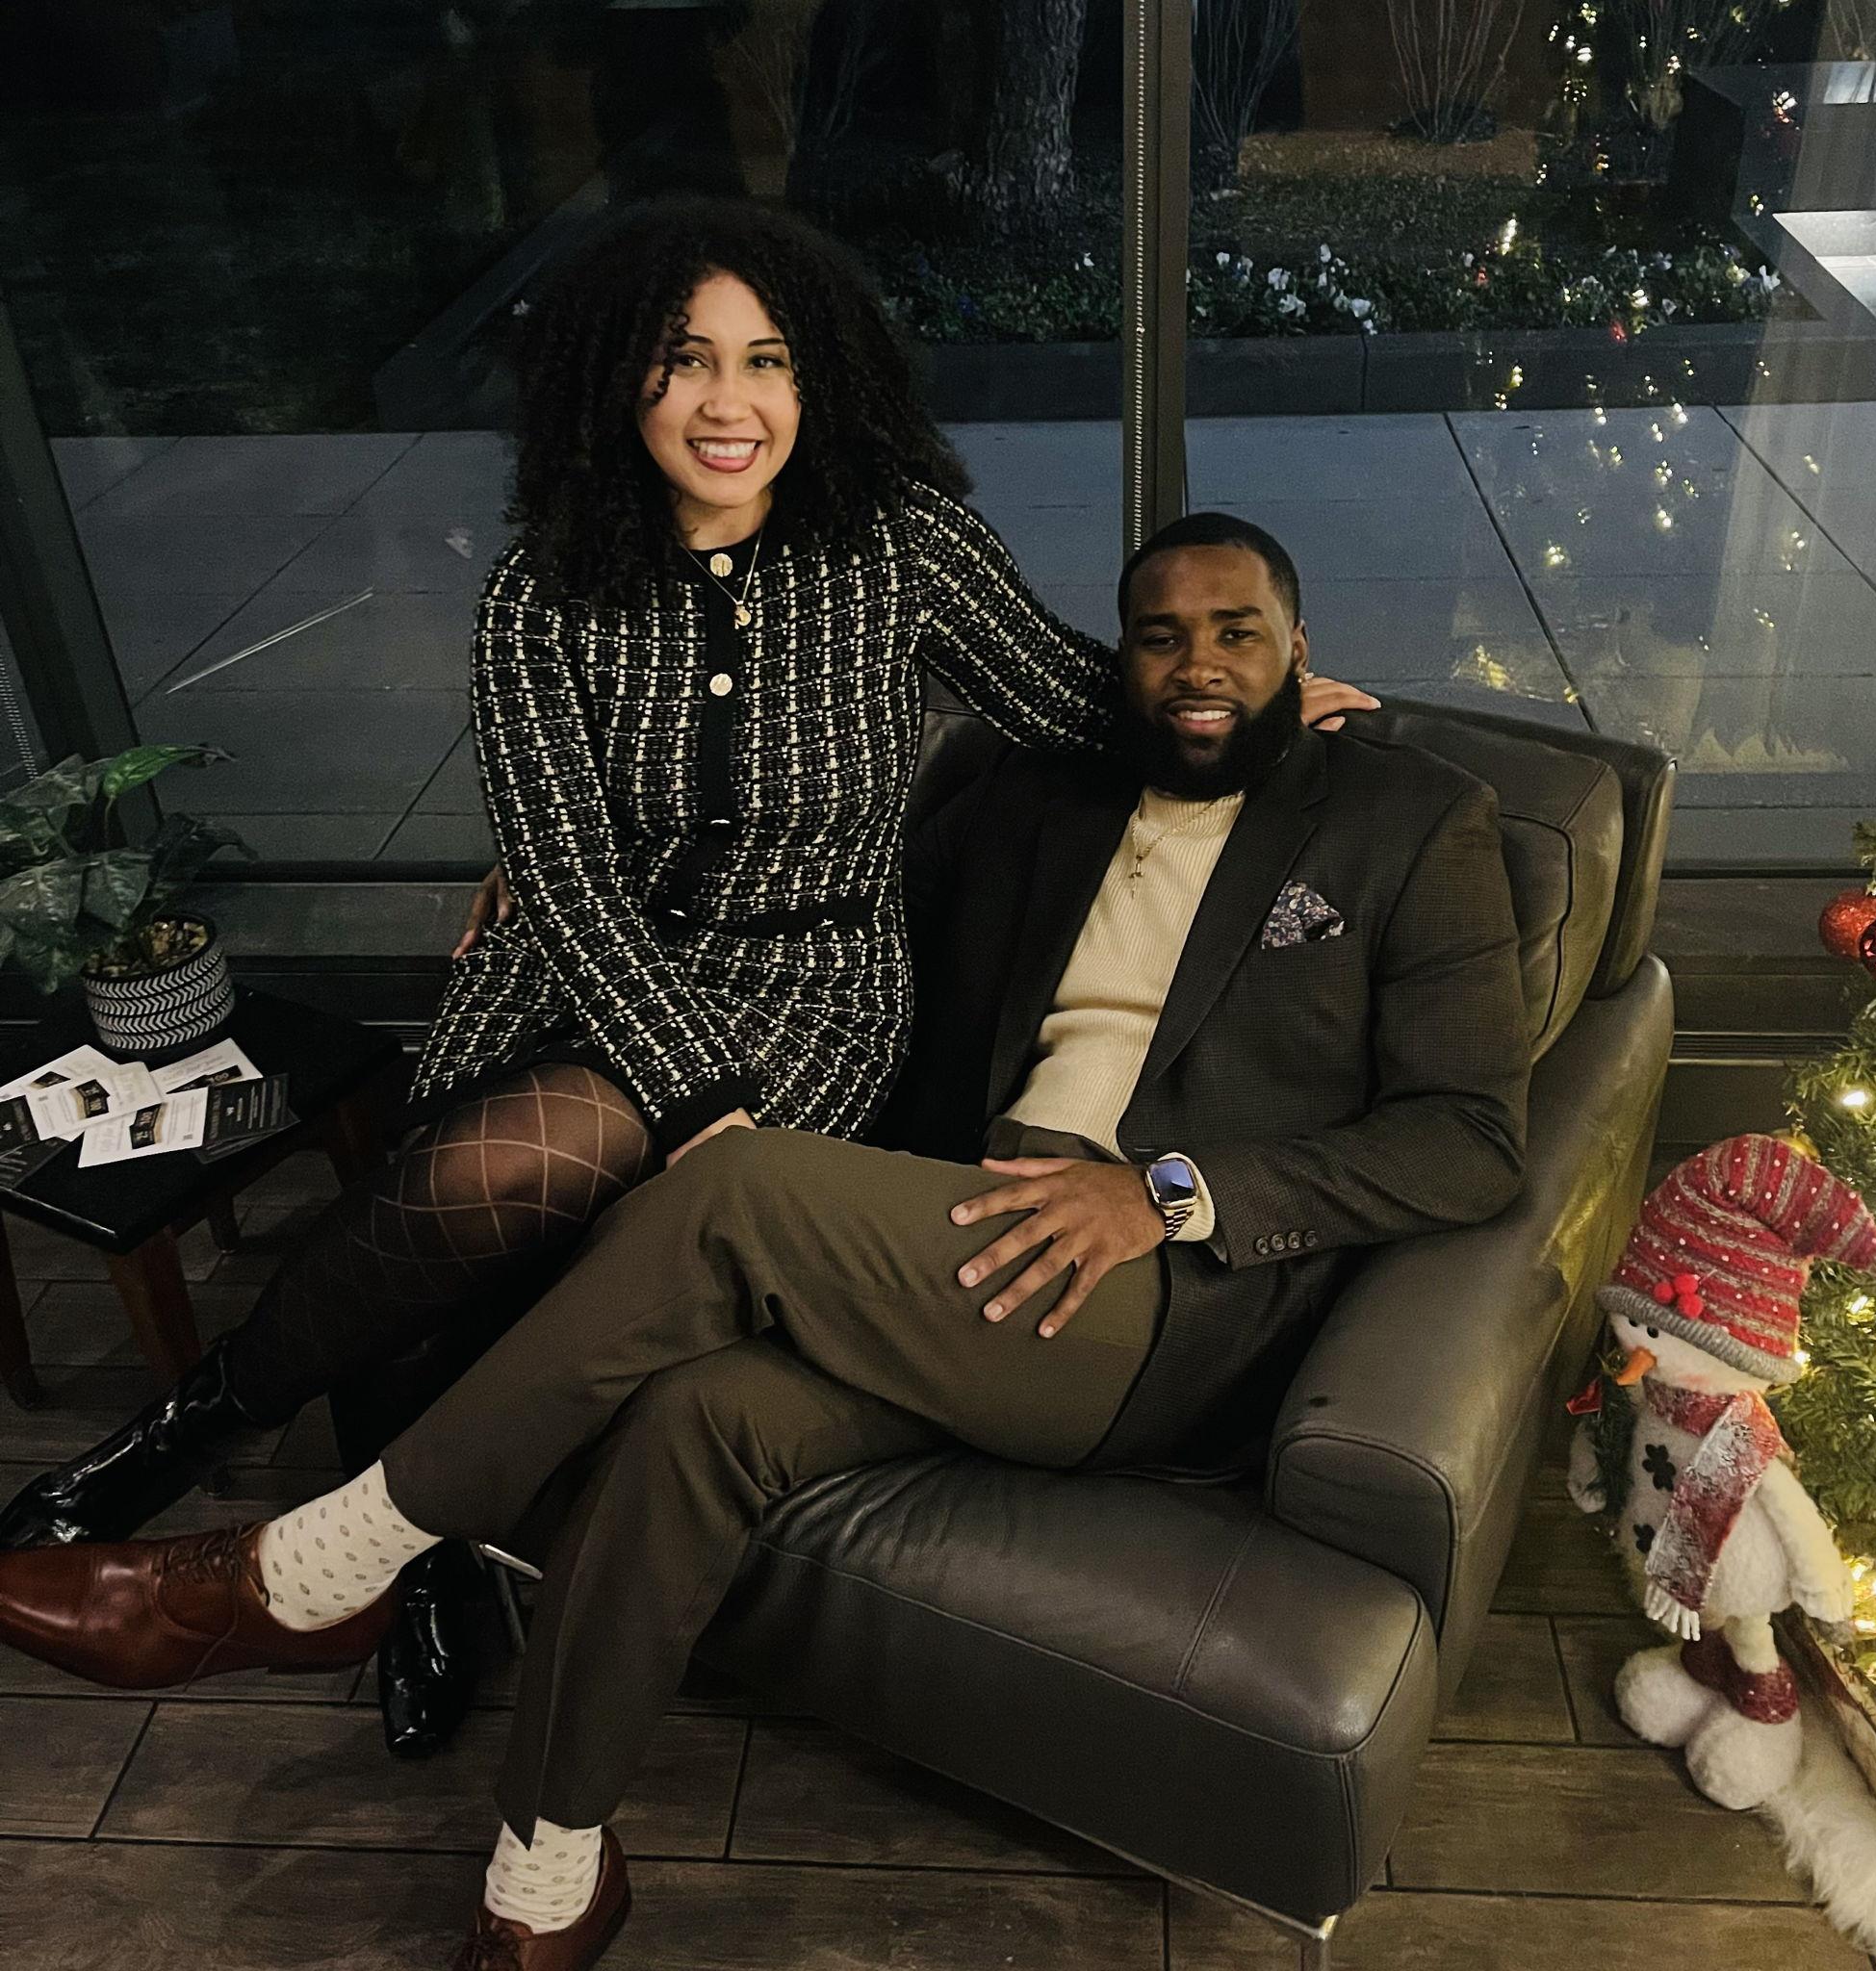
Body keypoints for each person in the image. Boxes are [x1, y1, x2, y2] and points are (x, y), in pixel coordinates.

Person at [0, 513, 1530, 1971]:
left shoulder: (1411, 819)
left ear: (1299, 644)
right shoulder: (1045, 794)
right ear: (1112, 659)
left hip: (1157, 1298)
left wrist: (1166, 1192)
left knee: (730, 1193)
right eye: (1160, 638)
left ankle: (315, 1568)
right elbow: (803, 880)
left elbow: (1468, 1139)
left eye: (1239, 634)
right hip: (956, 1244)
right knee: (693, 1421)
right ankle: (550, 1872)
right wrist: (566, 881)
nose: (1199, 667)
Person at [0, 202, 1375, 1756]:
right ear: (617, 379)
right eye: (687, 361)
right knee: (467, 1194)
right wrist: (681, 1083)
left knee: (514, 1175)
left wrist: (1252, 695)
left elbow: (1075, 698)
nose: (732, 403)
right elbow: (565, 874)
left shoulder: (898, 542)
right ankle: (355, 1529)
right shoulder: (542, 592)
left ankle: (242, 1484)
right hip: (578, 965)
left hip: (813, 994)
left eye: (767, 361)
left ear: (818, 377)